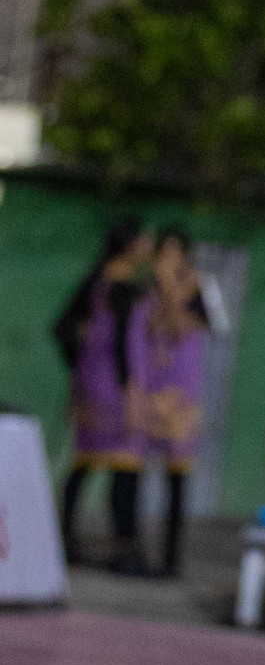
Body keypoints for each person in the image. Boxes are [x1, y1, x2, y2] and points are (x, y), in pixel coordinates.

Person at [54, 216, 154, 572]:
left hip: (91, 386)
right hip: (117, 389)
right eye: (144, 240)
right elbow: (125, 346)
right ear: (130, 246)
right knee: (125, 467)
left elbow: (61, 328)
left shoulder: (96, 281)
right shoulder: (124, 287)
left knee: (83, 463)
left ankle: (63, 538)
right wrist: (131, 395)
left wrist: (78, 370)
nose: (148, 247)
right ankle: (124, 549)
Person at [126, 225, 210, 577]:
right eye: (165, 253)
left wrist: (172, 287)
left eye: (176, 253)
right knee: (132, 473)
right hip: (148, 392)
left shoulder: (197, 291)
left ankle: (171, 559)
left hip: (180, 397)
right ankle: (132, 551)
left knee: (176, 478)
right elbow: (141, 335)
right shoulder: (146, 294)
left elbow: (180, 328)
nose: (168, 260)